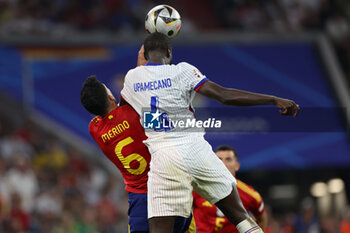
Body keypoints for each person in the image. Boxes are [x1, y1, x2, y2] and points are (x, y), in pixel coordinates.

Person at [120, 32, 299, 233]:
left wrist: (139, 67)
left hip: (164, 158)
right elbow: (223, 95)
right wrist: (273, 99)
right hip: (195, 150)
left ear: (144, 54)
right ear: (169, 52)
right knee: (240, 217)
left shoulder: (131, 78)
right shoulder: (183, 70)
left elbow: (127, 109)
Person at [80, 76, 195, 233]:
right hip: (169, 189)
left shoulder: (95, 130)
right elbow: (167, 123)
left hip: (140, 201)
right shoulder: (135, 114)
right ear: (111, 96)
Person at [193, 145, 268, 233]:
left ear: (237, 166)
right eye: (219, 159)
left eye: (228, 159)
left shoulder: (251, 195)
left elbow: (262, 219)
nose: (223, 164)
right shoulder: (197, 187)